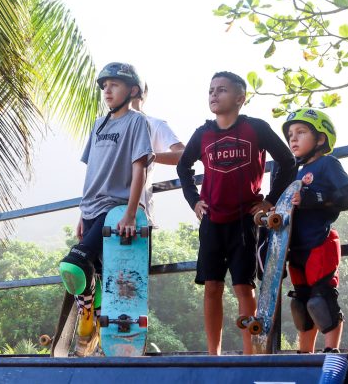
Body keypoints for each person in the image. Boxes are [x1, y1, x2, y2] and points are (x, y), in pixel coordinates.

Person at [177, 71, 296, 355]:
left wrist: (270, 201)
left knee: (244, 287)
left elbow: (288, 161)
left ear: (240, 98)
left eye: (222, 90)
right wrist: (194, 201)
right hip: (212, 220)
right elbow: (183, 168)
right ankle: (212, 354)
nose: (214, 95)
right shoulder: (203, 133)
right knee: (212, 286)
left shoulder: (255, 128)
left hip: (246, 222)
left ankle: (250, 353)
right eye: (211, 90)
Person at [58, 62, 154, 357]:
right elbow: (92, 174)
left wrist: (131, 211)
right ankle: (97, 320)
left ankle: (88, 317)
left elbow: (140, 170)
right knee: (97, 272)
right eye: (104, 85)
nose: (107, 90)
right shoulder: (98, 125)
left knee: (73, 264)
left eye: (114, 84)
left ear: (132, 90)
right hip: (90, 210)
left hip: (114, 209)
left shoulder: (137, 122)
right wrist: (81, 213)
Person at [282, 108, 348, 353]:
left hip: (319, 242)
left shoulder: (328, 163)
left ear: (320, 139)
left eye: (301, 132)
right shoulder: (296, 173)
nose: (293, 138)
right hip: (295, 247)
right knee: (302, 303)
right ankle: (304, 355)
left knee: (322, 300)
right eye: (290, 135)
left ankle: (331, 353)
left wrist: (315, 198)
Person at [131, 83, 185, 225]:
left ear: (136, 90)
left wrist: (148, 156)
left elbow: (183, 154)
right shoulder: (106, 126)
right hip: (103, 211)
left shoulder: (155, 124)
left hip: (139, 213)